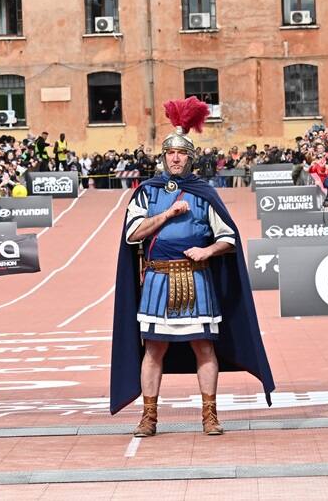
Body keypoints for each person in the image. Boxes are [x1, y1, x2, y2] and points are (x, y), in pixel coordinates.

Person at [110, 97, 274, 437]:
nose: (175, 157)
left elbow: (229, 236)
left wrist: (208, 250)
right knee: (154, 348)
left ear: (190, 158)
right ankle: (149, 417)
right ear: (163, 156)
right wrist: (168, 214)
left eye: (181, 153)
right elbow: (132, 235)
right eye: (170, 152)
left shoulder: (203, 193)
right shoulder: (146, 194)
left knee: (204, 347)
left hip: (196, 279)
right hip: (157, 278)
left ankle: (210, 416)